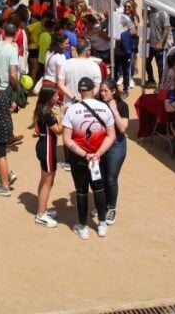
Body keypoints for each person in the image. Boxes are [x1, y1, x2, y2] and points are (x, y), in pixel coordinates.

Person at [61, 77, 116, 240]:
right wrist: (98, 154)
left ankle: (83, 227)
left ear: (79, 91)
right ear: (93, 90)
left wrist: (85, 155)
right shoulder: (104, 108)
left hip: (79, 158)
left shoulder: (72, 110)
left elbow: (67, 139)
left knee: (81, 191)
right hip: (99, 158)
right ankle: (102, 224)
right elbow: (111, 135)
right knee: (99, 189)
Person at [97, 81, 128, 226]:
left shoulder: (122, 106)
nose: (103, 94)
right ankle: (102, 205)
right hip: (101, 144)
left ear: (113, 91)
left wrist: (114, 110)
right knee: (101, 178)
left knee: (111, 178)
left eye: (105, 91)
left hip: (117, 146)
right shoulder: (97, 104)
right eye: (101, 91)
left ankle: (111, 208)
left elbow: (122, 128)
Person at [32, 86, 63, 227]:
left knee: (44, 179)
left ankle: (42, 208)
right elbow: (59, 130)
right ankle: (41, 215)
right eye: (55, 96)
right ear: (49, 97)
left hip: (43, 146)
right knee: (48, 182)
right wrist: (63, 114)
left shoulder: (41, 109)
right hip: (47, 148)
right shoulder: (47, 113)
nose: (58, 97)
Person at [57, 40, 102, 106]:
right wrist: (86, 98)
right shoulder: (95, 66)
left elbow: (60, 84)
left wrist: (73, 98)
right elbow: (97, 87)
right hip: (88, 104)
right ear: (88, 51)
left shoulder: (66, 64)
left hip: (69, 104)